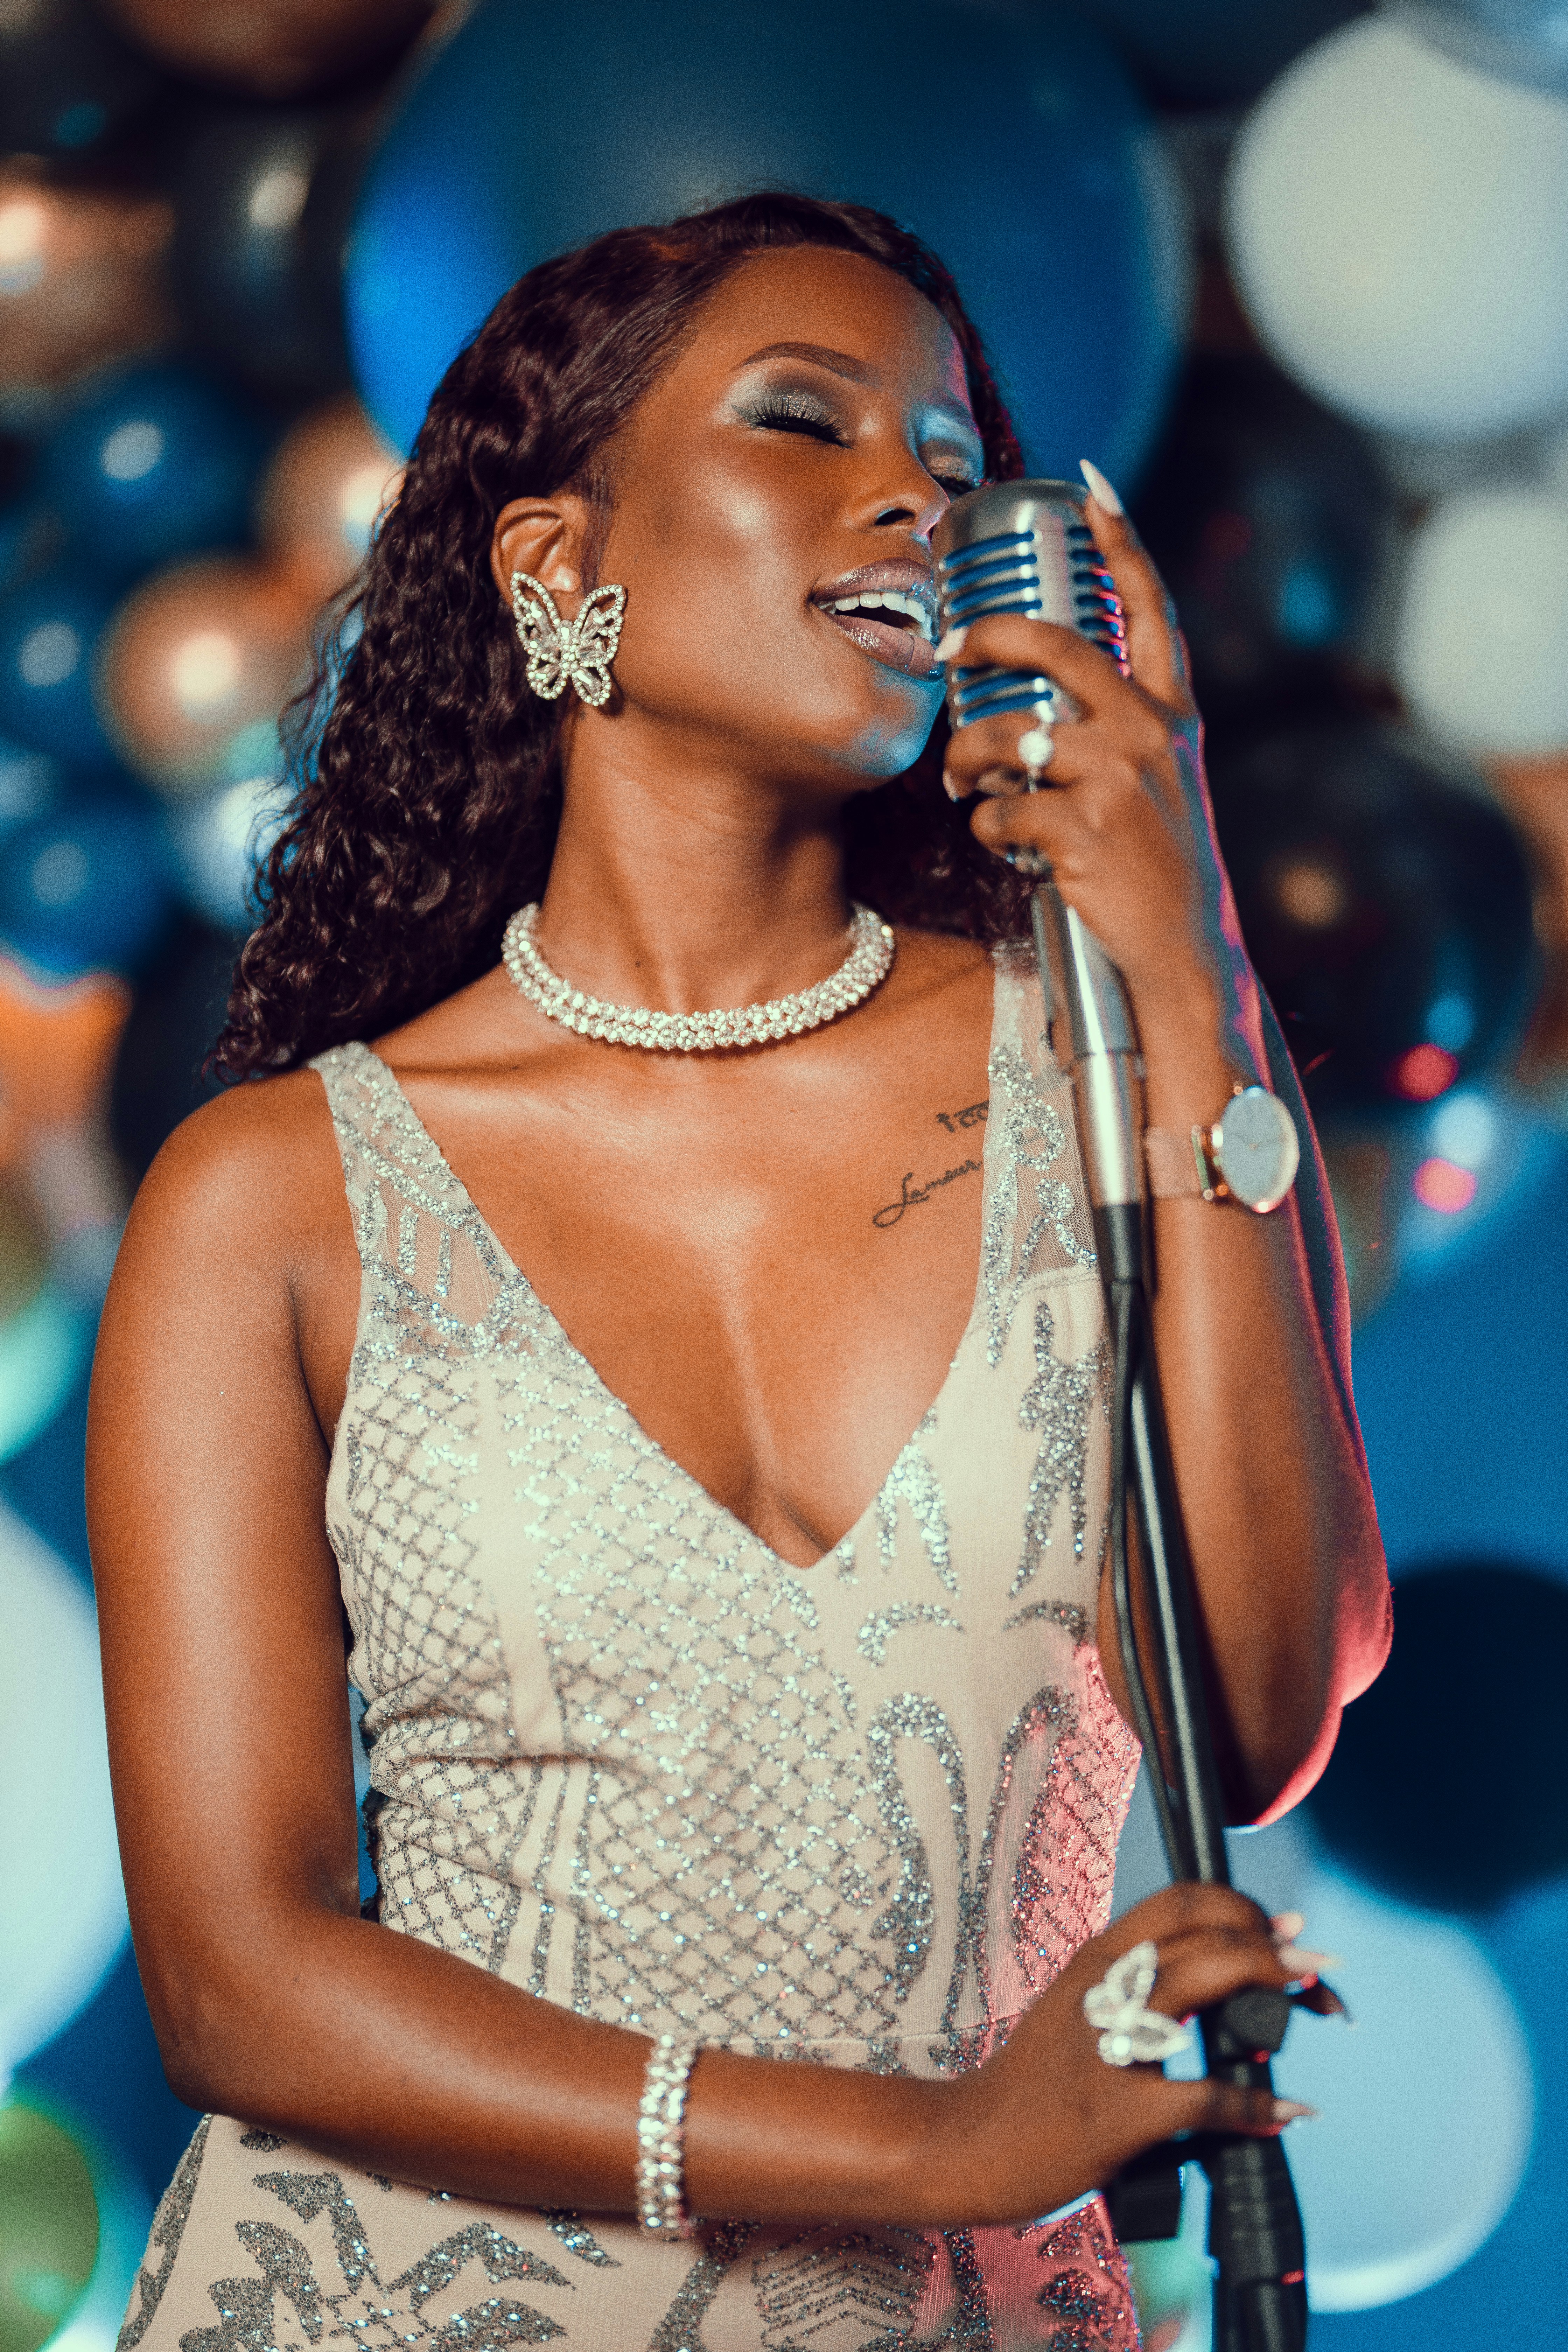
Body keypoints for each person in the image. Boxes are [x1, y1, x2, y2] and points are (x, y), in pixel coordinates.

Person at [90, 193, 1388, 2351]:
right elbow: (245, 1981)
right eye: (809, 421)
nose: (916, 490)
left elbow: (1250, 1722)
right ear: (556, 567)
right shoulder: (281, 1199)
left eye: (957, 462)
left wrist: (1192, 957)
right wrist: (934, 2150)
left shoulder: (1112, 1062)